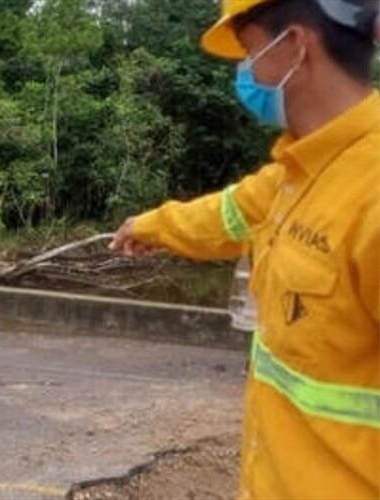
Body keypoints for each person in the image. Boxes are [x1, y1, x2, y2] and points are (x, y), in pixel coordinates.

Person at [110, 0, 380, 498]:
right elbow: (226, 214)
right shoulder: (299, 173)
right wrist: (149, 226)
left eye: (251, 51)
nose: (245, 72)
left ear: (296, 46)